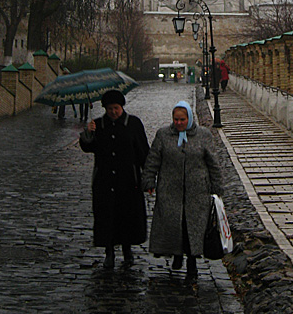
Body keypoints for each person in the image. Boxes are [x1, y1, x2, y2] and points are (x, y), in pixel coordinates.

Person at [142, 100, 223, 282]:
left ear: (189, 118)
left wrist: (217, 186)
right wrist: (149, 180)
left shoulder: (203, 135)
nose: (179, 123)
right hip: (170, 190)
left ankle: (192, 264)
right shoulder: (163, 135)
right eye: (176, 120)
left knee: (192, 229)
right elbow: (153, 159)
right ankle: (176, 254)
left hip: (197, 192)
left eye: (182, 120)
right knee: (174, 225)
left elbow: (213, 163)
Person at [79, 89, 149, 269]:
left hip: (128, 180)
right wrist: (88, 134)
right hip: (104, 181)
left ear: (122, 107)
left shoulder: (133, 123)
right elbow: (88, 147)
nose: (113, 112)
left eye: (116, 108)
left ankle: (127, 250)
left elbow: (143, 151)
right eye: (110, 109)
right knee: (107, 217)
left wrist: (147, 177)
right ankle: (109, 252)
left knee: (127, 216)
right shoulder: (98, 124)